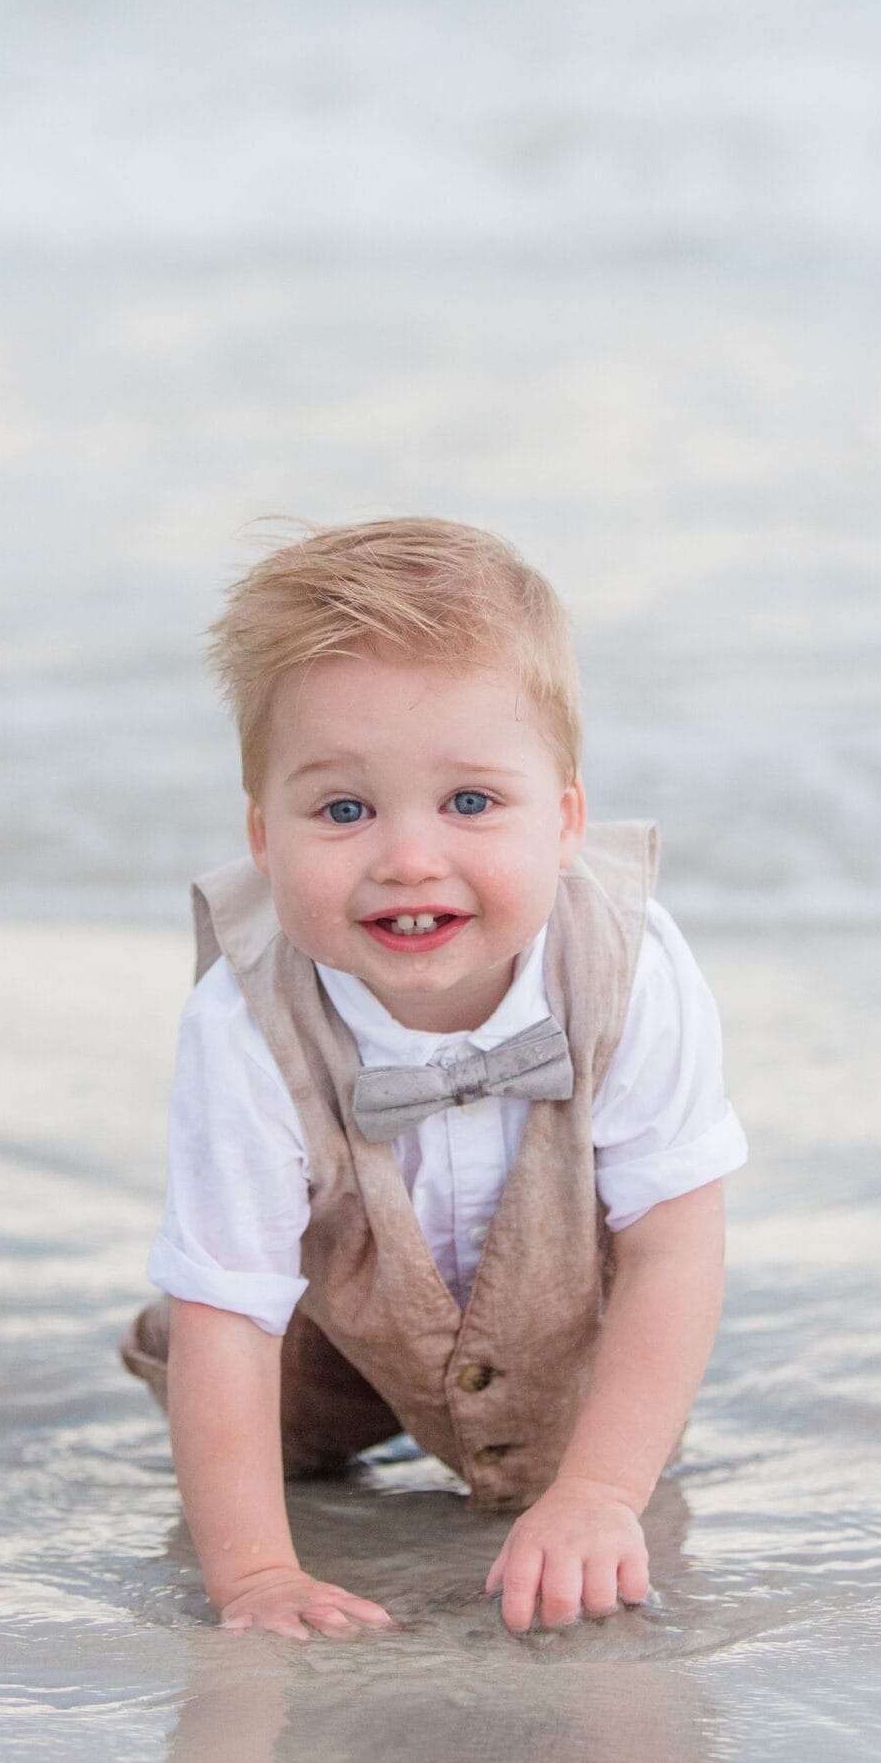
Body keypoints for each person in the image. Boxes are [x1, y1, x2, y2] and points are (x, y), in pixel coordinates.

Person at [124, 518, 747, 1639]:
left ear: (564, 819)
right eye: (345, 810)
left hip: (559, 1329)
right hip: (317, 1328)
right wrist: (257, 1577)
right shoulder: (244, 1024)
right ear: (265, 839)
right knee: (268, 1430)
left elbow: (671, 1245)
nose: (410, 858)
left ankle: (577, 1463)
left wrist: (601, 1494)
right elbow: (229, 1311)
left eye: (470, 802)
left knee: (591, 1442)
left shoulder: (630, 966)